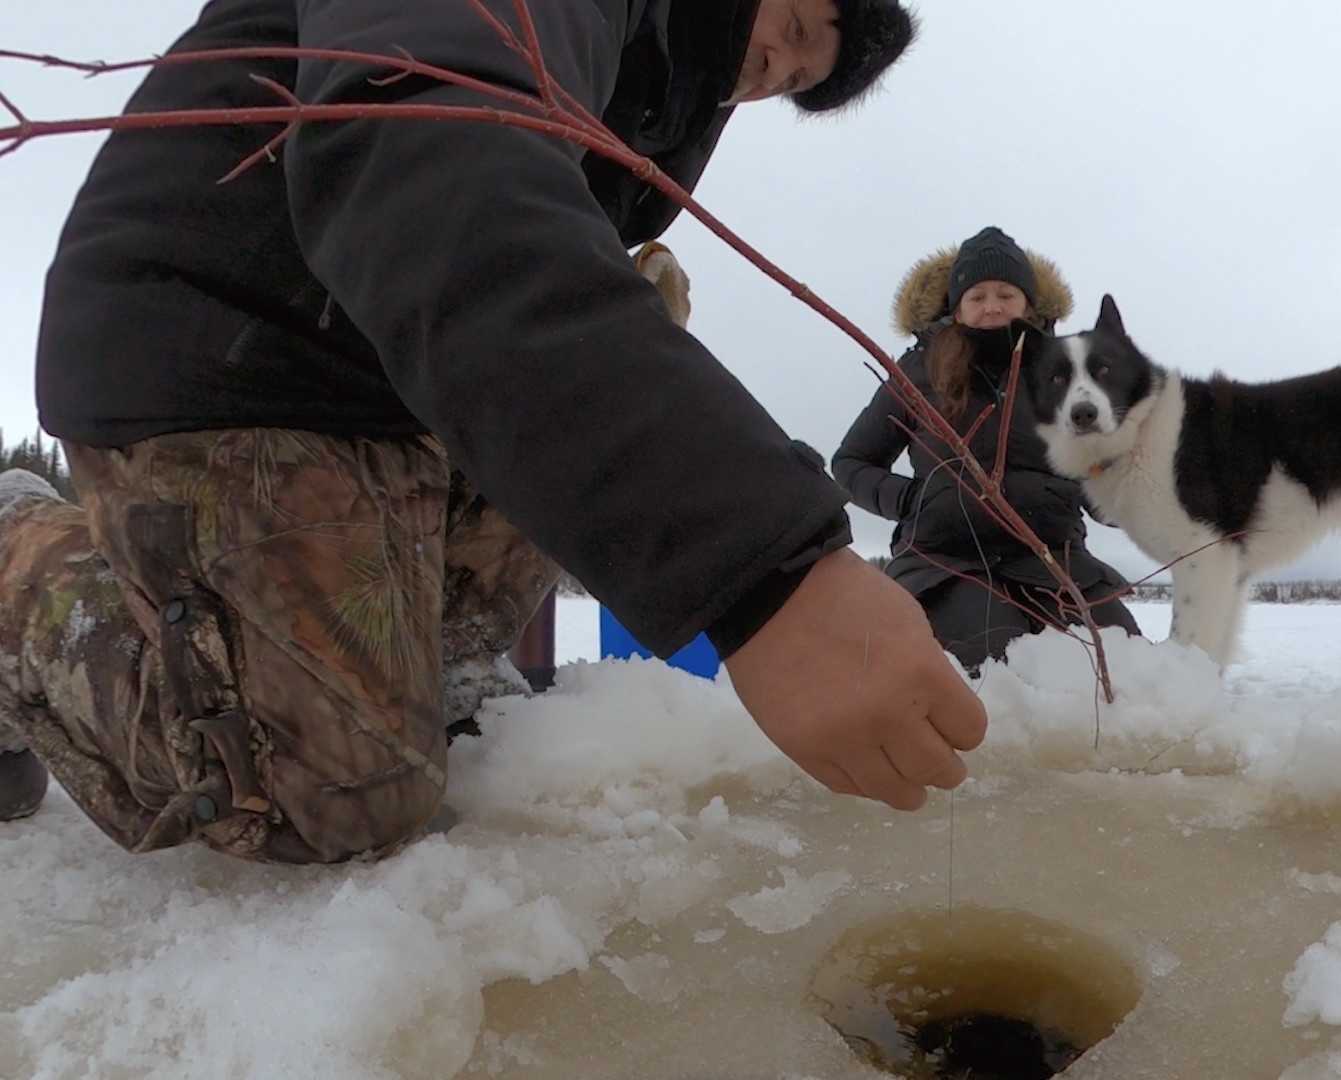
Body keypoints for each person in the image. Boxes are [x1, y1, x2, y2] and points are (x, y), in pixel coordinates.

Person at [0, 0, 989, 864]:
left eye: (801, 78)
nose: (778, 68)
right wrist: (767, 576)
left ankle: (396, 670)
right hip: (223, 355)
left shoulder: (645, 88)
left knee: (454, 676)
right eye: (797, 26)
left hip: (382, 392)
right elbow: (423, 166)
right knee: (331, 789)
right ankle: (19, 570)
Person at [832, 227, 1140, 671]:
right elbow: (851, 462)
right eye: (977, 296)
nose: (992, 306)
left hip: (1057, 561)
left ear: (1029, 305)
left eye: (1006, 294)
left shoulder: (1068, 370)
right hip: (943, 564)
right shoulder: (917, 372)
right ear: (957, 307)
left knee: (1122, 662)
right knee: (987, 665)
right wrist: (912, 500)